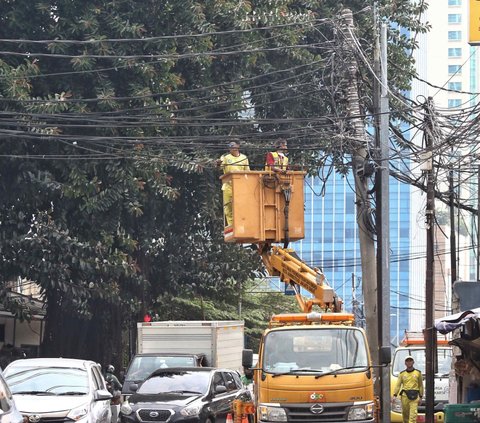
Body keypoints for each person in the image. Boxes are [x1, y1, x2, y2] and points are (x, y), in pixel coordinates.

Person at [217, 141, 250, 226]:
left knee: (240, 205)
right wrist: (218, 163)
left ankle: (241, 224)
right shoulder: (225, 157)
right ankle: (231, 225)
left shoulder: (244, 158)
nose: (232, 148)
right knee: (228, 206)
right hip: (228, 185)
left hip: (240, 186)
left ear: (238, 146)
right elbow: (219, 167)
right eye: (230, 146)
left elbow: (247, 172)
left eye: (233, 145)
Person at [393, 356, 424, 423]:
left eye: (410, 361)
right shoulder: (402, 374)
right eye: (407, 361)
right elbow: (398, 385)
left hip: (414, 397)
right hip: (405, 396)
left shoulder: (418, 373)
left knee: (413, 415)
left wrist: (421, 396)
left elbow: (421, 385)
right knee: (405, 415)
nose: (409, 362)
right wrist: (394, 395)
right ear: (405, 363)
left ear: (413, 362)